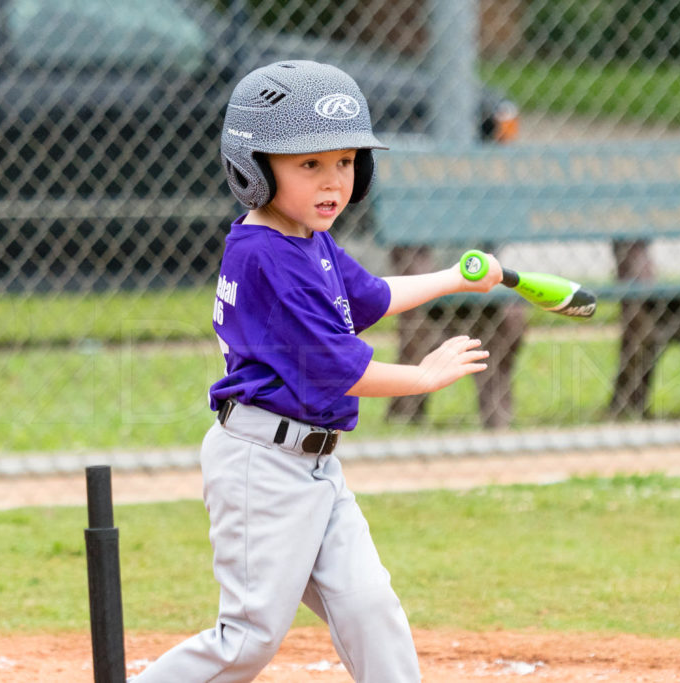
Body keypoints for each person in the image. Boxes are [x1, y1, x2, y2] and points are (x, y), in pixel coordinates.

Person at [130, 60, 501, 683]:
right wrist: (424, 376)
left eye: (345, 162)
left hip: (315, 465)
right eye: (308, 165)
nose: (332, 182)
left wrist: (456, 276)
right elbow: (341, 369)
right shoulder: (266, 258)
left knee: (369, 607)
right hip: (262, 469)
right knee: (246, 640)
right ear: (252, 167)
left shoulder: (304, 237)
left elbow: (370, 297)